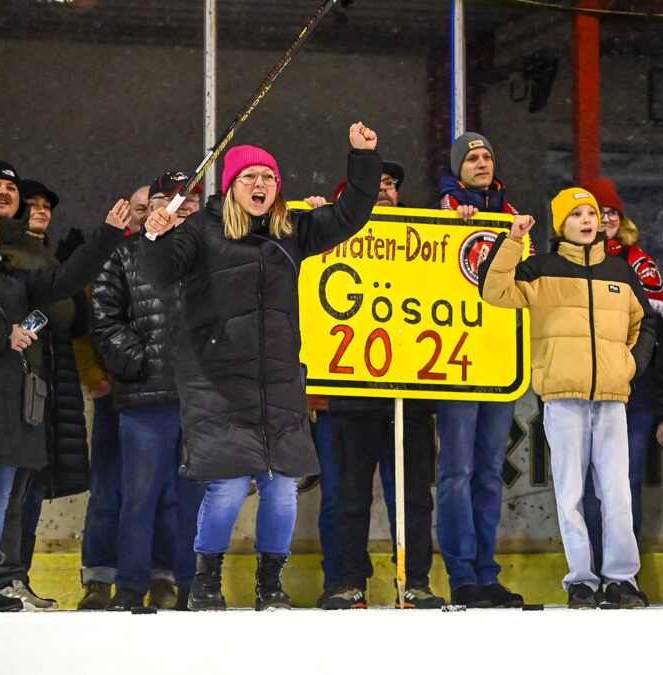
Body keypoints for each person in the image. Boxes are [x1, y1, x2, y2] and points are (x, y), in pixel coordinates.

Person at [139, 122, 381, 611]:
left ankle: (271, 583)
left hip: (278, 381)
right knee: (227, 488)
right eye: (249, 176)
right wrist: (153, 235)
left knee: (283, 488)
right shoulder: (201, 230)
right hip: (217, 381)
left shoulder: (291, 229)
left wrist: (363, 158)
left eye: (268, 178)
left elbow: (352, 214)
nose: (260, 185)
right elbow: (159, 270)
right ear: (231, 186)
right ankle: (206, 583)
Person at [0, 191, 124, 610]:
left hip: (12, 407)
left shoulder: (15, 279)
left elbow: (66, 279)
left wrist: (106, 235)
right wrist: (3, 335)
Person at [480, 187, 654, 609]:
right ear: (561, 224)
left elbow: (644, 325)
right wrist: (512, 240)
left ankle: (621, 579)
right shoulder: (539, 268)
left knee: (617, 492)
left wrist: (628, 366)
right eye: (575, 214)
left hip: (612, 397)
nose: (586, 220)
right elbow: (493, 290)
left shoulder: (621, 271)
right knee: (570, 493)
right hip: (561, 397)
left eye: (590, 213)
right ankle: (581, 579)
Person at [312, 161, 443, 610]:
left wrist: (463, 224)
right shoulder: (330, 236)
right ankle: (348, 581)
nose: (384, 190)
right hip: (352, 395)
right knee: (349, 498)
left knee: (413, 500)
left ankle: (416, 581)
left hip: (411, 394)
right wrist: (311, 217)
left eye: (390, 185)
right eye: (374, 184)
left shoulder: (424, 239)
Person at [92, 171, 205, 611]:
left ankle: (195, 589)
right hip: (145, 399)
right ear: (153, 207)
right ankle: (131, 590)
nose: (182, 206)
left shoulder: (215, 252)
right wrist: (137, 362)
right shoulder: (124, 254)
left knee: (196, 502)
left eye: (191, 199)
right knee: (137, 499)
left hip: (201, 398)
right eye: (170, 198)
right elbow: (103, 316)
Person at [434, 132, 531, 608]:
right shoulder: (439, 216)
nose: (481, 162)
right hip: (453, 362)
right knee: (456, 471)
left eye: (487, 155)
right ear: (457, 168)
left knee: (489, 473)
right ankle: (461, 573)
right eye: (471, 157)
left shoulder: (514, 220)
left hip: (497, 359)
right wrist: (451, 222)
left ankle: (486, 573)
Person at [578, 177, 663, 571]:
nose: (606, 219)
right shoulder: (565, 261)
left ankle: (623, 574)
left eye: (612, 212)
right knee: (584, 488)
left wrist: (634, 372)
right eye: (598, 212)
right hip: (581, 390)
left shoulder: (641, 265)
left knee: (623, 486)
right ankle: (589, 571)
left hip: (633, 393)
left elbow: (657, 334)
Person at [72, 182, 153, 609]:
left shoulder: (172, 256)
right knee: (108, 485)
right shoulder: (106, 258)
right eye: (138, 208)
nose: (144, 215)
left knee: (161, 490)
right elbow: (87, 327)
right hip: (114, 394)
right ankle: (100, 578)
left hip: (161, 395)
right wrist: (95, 376)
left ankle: (160, 574)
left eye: (151, 208)